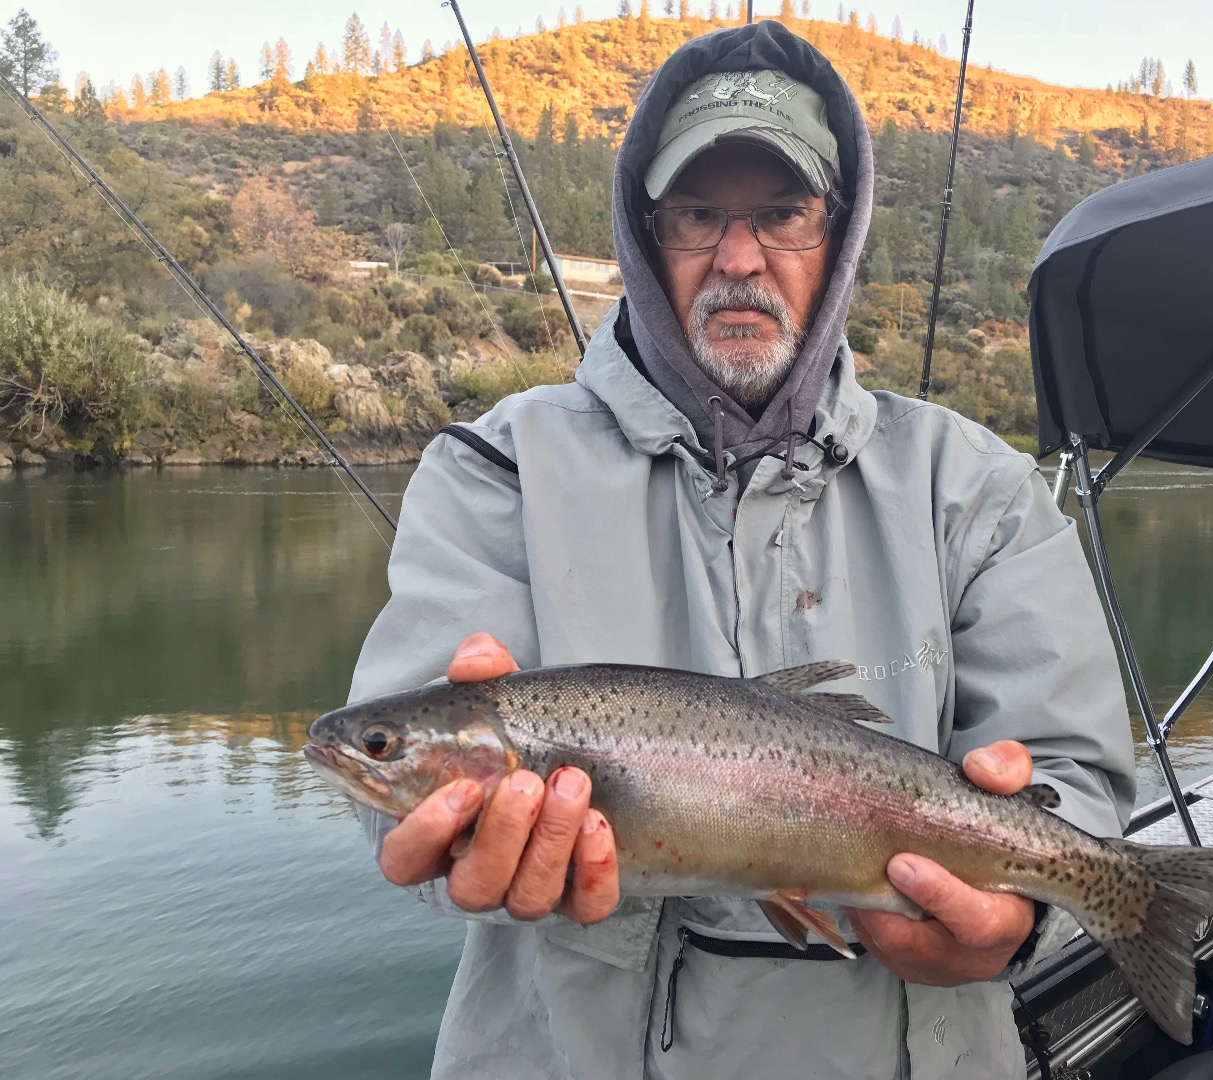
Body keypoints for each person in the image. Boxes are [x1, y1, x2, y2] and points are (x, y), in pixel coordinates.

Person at [348, 19, 1135, 1080]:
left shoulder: (979, 485)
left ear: (839, 234)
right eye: (698, 216)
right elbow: (406, 821)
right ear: (645, 235)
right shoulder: (496, 468)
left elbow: (1073, 779)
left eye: (781, 214)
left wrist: (1021, 921)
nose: (738, 255)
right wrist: (450, 846)